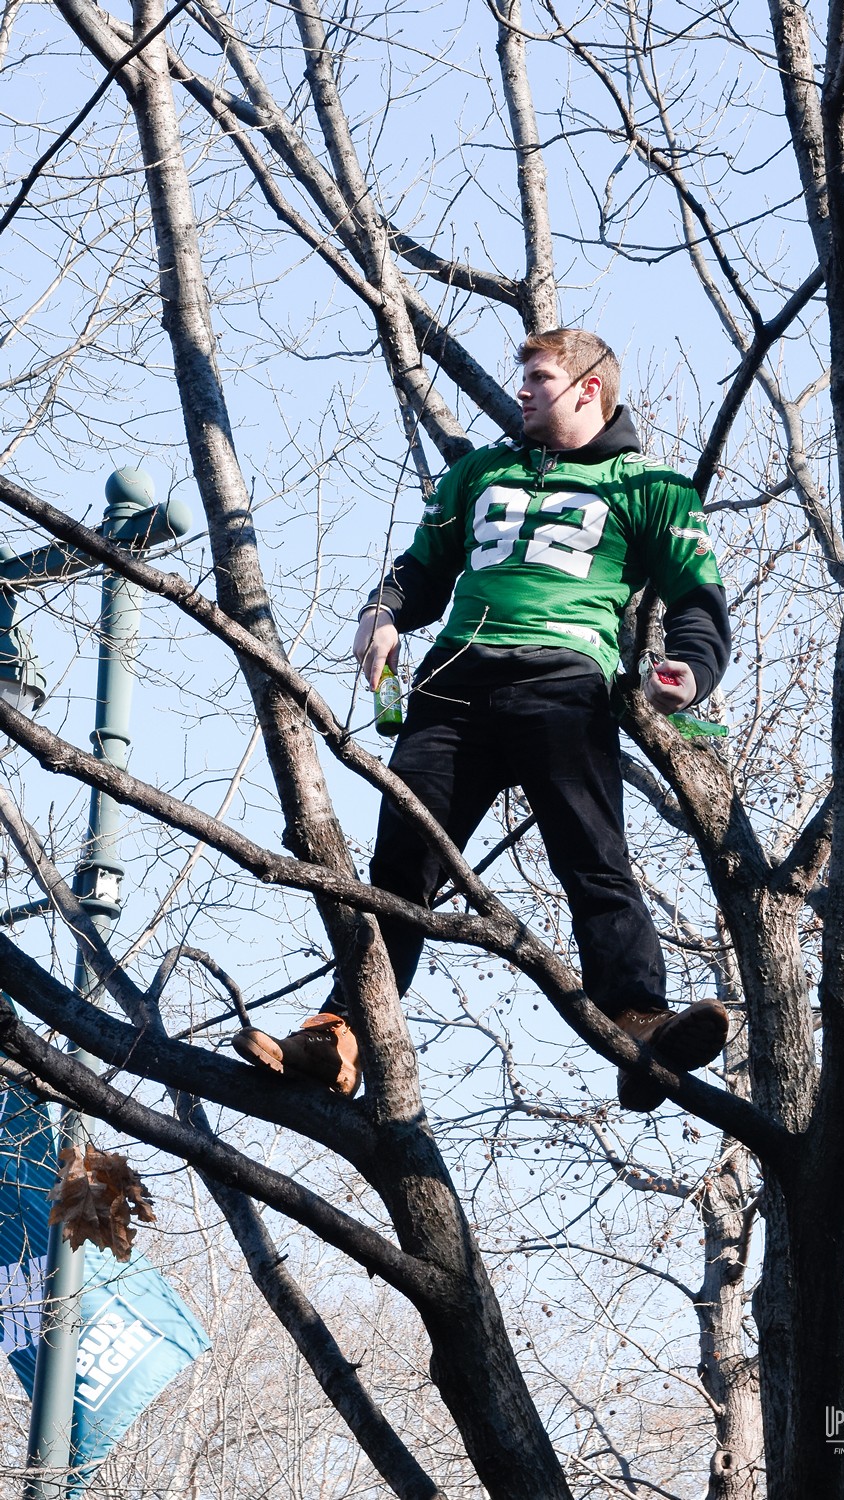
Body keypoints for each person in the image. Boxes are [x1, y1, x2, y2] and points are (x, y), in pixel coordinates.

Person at [232, 329, 731, 1111]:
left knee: (594, 862)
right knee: (398, 867)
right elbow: (422, 568)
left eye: (538, 377)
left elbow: (699, 598)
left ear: (589, 390)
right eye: (522, 376)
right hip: (452, 686)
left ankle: (638, 1023)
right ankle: (341, 1034)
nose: (521, 390)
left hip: (564, 686)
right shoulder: (478, 472)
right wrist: (384, 612)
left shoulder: (652, 489)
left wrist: (691, 672)